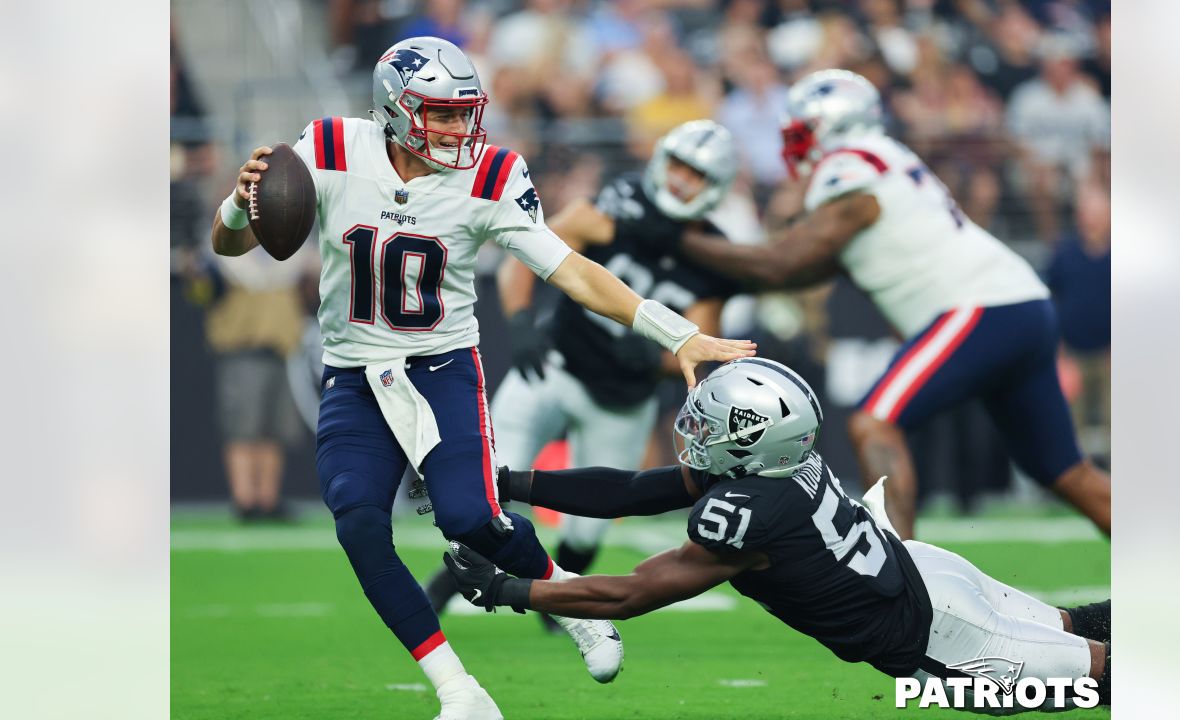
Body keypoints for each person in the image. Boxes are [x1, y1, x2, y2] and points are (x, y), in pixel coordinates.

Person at [210, 36, 754, 720]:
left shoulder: (491, 175)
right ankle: (460, 692)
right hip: (353, 372)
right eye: (440, 114)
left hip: (441, 366)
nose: (458, 128)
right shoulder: (327, 147)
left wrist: (679, 333)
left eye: (463, 112)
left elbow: (574, 270)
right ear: (394, 111)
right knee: (358, 525)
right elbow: (231, 244)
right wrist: (239, 202)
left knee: (473, 517)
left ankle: (572, 600)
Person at [443, 358, 1111, 711]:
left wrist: (512, 589)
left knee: (1105, 678)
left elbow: (633, 594)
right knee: (1078, 627)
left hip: (943, 638)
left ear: (753, 444)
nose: (694, 433)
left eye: (711, 428)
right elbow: (629, 490)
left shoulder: (747, 510)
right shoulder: (778, 467)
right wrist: (512, 482)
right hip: (929, 577)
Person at [677, 69, 1110, 539]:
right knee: (1068, 474)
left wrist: (679, 237)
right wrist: (722, 269)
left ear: (832, 129)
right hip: (1019, 305)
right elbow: (804, 268)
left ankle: (902, 575)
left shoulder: (849, 166)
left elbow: (780, 263)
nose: (794, 149)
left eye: (801, 135)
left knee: (874, 423)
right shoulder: (883, 160)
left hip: (978, 306)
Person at [422, 119, 744, 627]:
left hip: (623, 399)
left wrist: (653, 359)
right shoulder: (617, 205)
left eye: (697, 175)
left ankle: (559, 612)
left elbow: (702, 339)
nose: (682, 181)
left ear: (716, 188)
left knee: (587, 533)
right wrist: (523, 321)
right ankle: (443, 589)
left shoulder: (712, 252)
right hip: (556, 366)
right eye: (679, 166)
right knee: (488, 482)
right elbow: (529, 248)